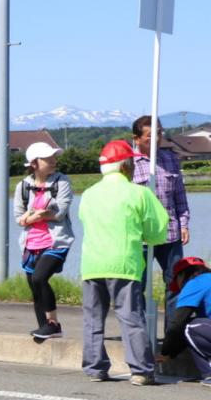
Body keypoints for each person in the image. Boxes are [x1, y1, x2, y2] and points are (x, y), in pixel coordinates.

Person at [78, 140, 170, 385]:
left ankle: (95, 368)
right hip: (124, 264)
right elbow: (157, 229)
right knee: (130, 317)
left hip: (92, 264)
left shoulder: (88, 194)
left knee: (92, 319)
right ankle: (140, 370)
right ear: (126, 166)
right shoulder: (138, 192)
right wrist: (148, 237)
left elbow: (84, 221)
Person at [132, 116, 190, 327]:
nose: (156, 139)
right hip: (140, 237)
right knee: (137, 286)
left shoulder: (170, 159)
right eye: (150, 136)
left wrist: (184, 223)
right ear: (136, 138)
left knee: (175, 284)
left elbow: (180, 196)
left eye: (159, 133)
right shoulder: (129, 163)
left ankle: (172, 339)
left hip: (171, 232)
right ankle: (140, 336)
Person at [13, 142, 74, 340]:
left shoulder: (61, 182)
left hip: (56, 241)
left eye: (54, 157)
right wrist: (37, 215)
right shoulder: (22, 186)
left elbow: (59, 213)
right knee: (33, 285)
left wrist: (32, 216)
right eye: (48, 159)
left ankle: (54, 324)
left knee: (40, 278)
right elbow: (18, 218)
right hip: (30, 244)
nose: (53, 161)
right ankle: (43, 327)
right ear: (34, 163)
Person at [158, 257, 211, 386]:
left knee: (190, 327)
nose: (180, 288)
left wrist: (166, 352)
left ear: (182, 275)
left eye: (178, 282)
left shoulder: (194, 283)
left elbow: (177, 323)